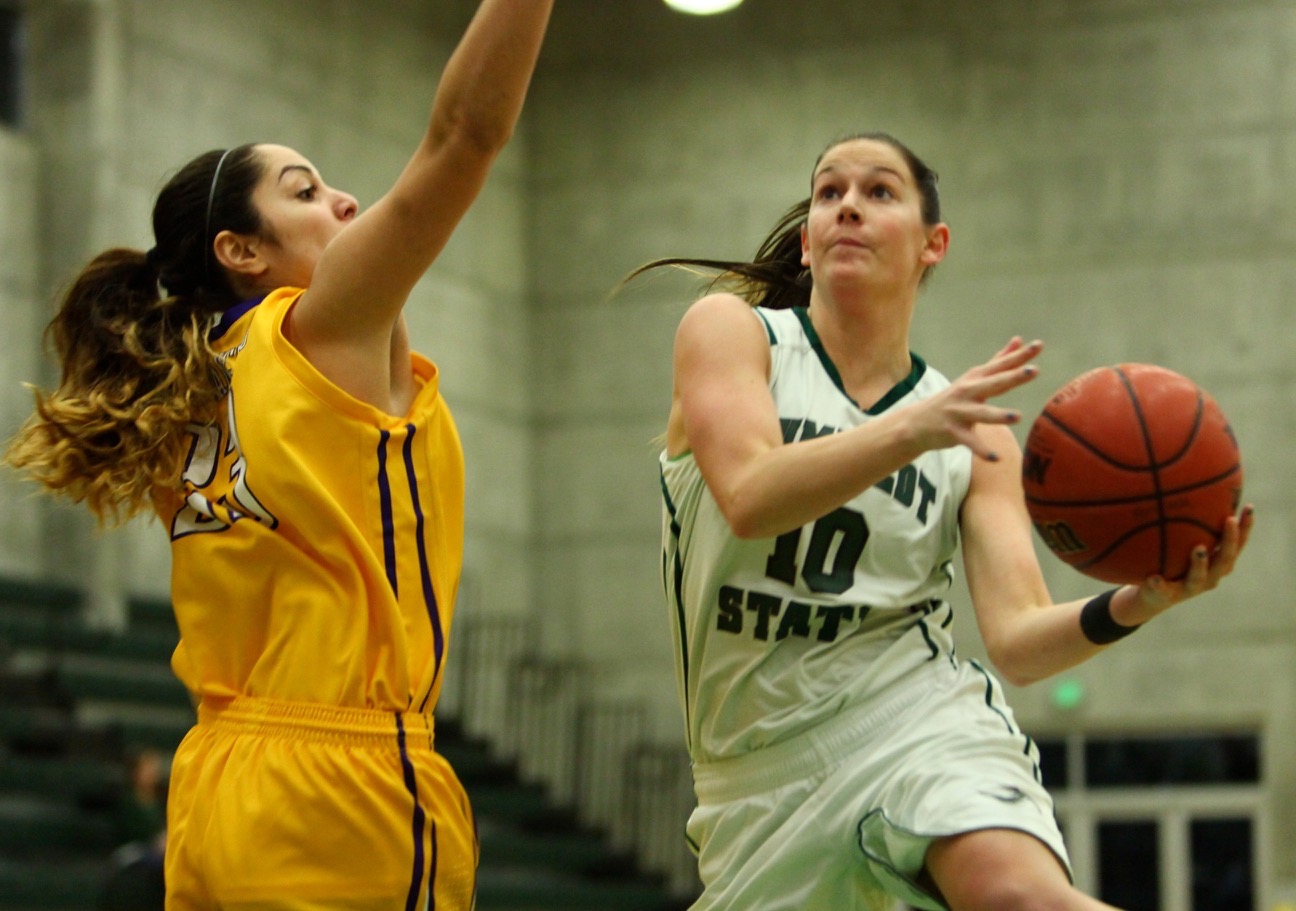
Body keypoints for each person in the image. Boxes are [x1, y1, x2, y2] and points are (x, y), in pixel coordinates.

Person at [4, 2, 554, 908]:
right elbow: (465, 134)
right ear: (241, 250)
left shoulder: (185, 387)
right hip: (338, 790)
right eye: (304, 192)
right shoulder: (316, 331)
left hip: (215, 785)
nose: (344, 202)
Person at [641, 132, 1253, 910]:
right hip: (754, 780)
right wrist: (913, 429)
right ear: (807, 241)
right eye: (829, 192)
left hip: (913, 715)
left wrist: (1142, 600)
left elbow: (1019, 642)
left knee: (1020, 896)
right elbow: (751, 495)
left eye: (879, 191)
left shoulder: (968, 431)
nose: (848, 206)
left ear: (933, 243)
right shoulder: (734, 333)